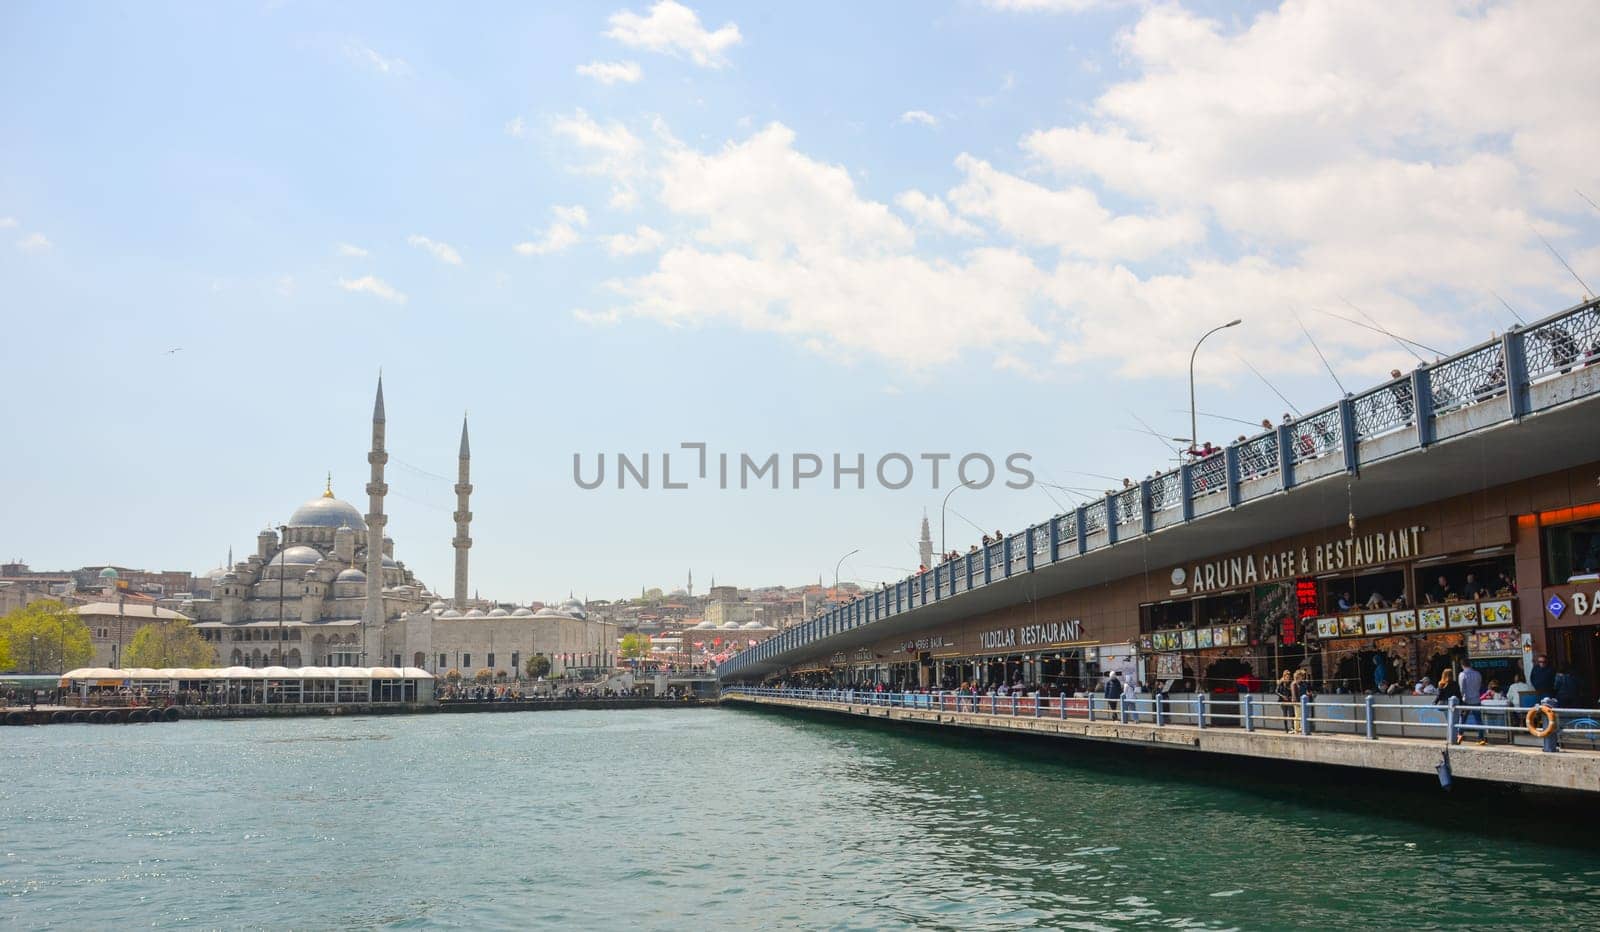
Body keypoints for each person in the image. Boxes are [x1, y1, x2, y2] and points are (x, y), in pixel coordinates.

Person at [1456, 659, 1486, 746]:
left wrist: (1462, 697)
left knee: (1463, 719)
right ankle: (1481, 738)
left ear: (1462, 665)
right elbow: (1479, 685)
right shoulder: (1477, 674)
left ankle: (1460, 735)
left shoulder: (1462, 674)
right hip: (1476, 699)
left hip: (1466, 700)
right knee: (1478, 719)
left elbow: (1462, 688)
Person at [1291, 669, 1313, 734]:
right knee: (1298, 715)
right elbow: (1294, 694)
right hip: (1297, 702)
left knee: (1302, 715)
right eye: (1301, 676)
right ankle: (1296, 729)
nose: (1302, 677)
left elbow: (1304, 691)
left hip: (1303, 701)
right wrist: (1297, 701)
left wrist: (1308, 694)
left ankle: (1302, 728)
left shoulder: (1302, 683)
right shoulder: (1294, 683)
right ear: (1298, 676)